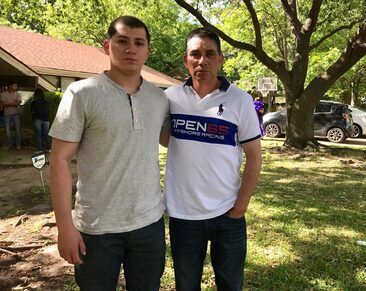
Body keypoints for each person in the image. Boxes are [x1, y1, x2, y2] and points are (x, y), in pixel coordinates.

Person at [49, 16, 169, 291]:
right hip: (96, 228)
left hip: (148, 223)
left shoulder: (159, 98)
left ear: (147, 51)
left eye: (139, 43)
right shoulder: (81, 94)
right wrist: (65, 227)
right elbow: (60, 160)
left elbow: (173, 140)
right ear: (107, 46)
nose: (131, 49)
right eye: (122, 41)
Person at [163, 28, 262, 291]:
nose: (202, 60)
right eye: (195, 54)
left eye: (209, 54)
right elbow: (165, 139)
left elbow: (254, 157)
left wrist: (240, 206)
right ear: (186, 60)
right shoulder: (170, 98)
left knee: (230, 285)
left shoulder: (240, 100)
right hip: (183, 215)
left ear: (220, 59)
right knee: (186, 286)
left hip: (227, 213)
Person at [0, 81, 22, 150]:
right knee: (7, 130)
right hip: (7, 114)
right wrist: (13, 103)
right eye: (14, 86)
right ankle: (9, 144)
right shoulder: (3, 94)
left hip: (16, 114)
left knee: (18, 130)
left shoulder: (18, 94)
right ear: (10, 86)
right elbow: (3, 104)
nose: (16, 87)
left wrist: (8, 104)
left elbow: (17, 104)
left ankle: (18, 145)